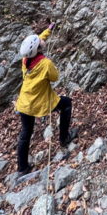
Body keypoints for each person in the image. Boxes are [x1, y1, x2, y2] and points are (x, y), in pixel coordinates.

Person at [15, 24, 76, 175]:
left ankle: (22, 168)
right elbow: (55, 77)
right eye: (39, 43)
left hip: (24, 102)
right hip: (39, 102)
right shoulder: (45, 64)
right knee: (66, 104)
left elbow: (38, 41)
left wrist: (49, 30)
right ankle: (64, 138)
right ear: (37, 49)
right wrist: (49, 65)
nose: (41, 41)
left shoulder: (26, 60)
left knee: (26, 133)